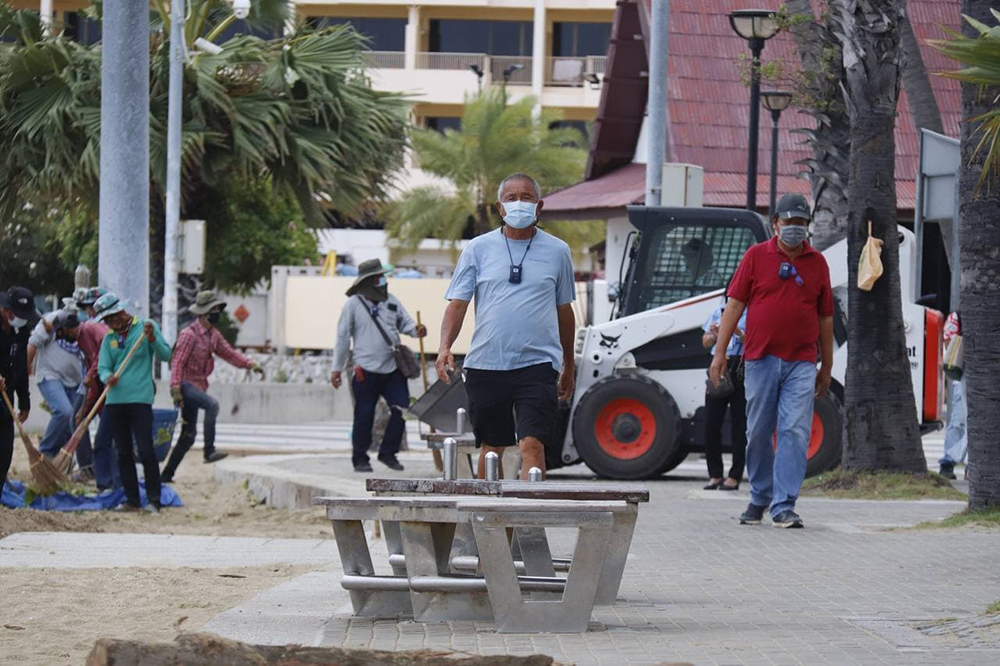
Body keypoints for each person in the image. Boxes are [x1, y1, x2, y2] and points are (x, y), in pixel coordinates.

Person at [437, 173, 576, 480]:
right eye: (511, 198)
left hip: (538, 364)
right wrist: (445, 347)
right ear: (500, 208)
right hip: (487, 364)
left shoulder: (558, 252)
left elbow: (564, 311)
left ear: (539, 207)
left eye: (526, 198)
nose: (519, 204)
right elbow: (458, 303)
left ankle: (528, 520)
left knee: (533, 447)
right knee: (491, 449)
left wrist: (568, 365)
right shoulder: (478, 248)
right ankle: (495, 525)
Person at [710, 193, 833, 529]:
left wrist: (828, 367)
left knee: (794, 430)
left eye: (800, 222)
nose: (794, 228)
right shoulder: (756, 256)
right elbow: (734, 306)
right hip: (760, 359)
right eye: (788, 221)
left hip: (802, 362)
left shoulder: (817, 263)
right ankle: (759, 497)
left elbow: (825, 318)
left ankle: (784, 504)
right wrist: (720, 353)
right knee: (759, 431)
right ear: (775, 223)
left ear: (808, 226)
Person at [331, 260, 427, 472]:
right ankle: (360, 459)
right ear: (367, 282)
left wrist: (416, 330)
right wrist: (336, 369)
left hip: (393, 369)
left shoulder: (392, 302)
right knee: (364, 416)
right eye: (378, 278)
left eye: (382, 277)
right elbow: (342, 338)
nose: (383, 282)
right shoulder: (353, 305)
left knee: (401, 410)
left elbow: (407, 323)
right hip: (365, 370)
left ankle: (388, 453)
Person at [162, 291, 264, 482]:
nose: (217, 312)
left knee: (188, 435)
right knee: (212, 405)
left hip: (198, 386)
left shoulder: (212, 335)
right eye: (214, 309)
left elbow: (229, 353)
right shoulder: (188, 335)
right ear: (204, 312)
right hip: (185, 385)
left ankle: (166, 475)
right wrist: (175, 388)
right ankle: (209, 451)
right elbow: (177, 362)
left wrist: (250, 364)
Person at [94, 293, 173, 512]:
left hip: (140, 399)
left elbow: (166, 355)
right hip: (115, 400)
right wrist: (107, 377)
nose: (110, 324)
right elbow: (103, 367)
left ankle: (154, 500)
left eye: (111, 318)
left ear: (121, 312)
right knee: (123, 452)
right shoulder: (109, 339)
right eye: (106, 321)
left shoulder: (146, 327)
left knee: (146, 450)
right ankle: (132, 500)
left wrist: (152, 339)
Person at [28, 310, 88, 470]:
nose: (74, 332)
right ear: (61, 330)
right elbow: (32, 346)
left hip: (76, 380)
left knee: (74, 421)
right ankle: (47, 451)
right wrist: (21, 376)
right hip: (50, 374)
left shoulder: (87, 325)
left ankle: (62, 458)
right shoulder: (49, 324)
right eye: (70, 330)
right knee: (64, 411)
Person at [75, 287, 119, 490]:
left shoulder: (98, 330)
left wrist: (92, 375)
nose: (89, 313)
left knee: (107, 440)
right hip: (105, 389)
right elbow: (97, 367)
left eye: (90, 308)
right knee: (106, 439)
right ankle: (105, 480)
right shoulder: (93, 331)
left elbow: (101, 360)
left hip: (117, 391)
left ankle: (109, 482)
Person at [702, 297, 748, 491]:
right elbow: (704, 342)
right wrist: (714, 335)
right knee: (711, 422)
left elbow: (751, 340)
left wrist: (735, 330)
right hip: (719, 364)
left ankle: (734, 476)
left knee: (740, 423)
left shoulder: (751, 312)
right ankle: (715, 474)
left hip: (741, 366)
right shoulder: (718, 311)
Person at [0, 287, 37, 489]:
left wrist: (24, 400)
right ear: (7, 310)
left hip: (6, 400)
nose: (22, 319)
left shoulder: (21, 331)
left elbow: (21, 365)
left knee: (4, 454)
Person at [939, 310, 966, 480]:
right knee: (958, 420)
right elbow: (949, 340)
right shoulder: (958, 315)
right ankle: (947, 462)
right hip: (964, 376)